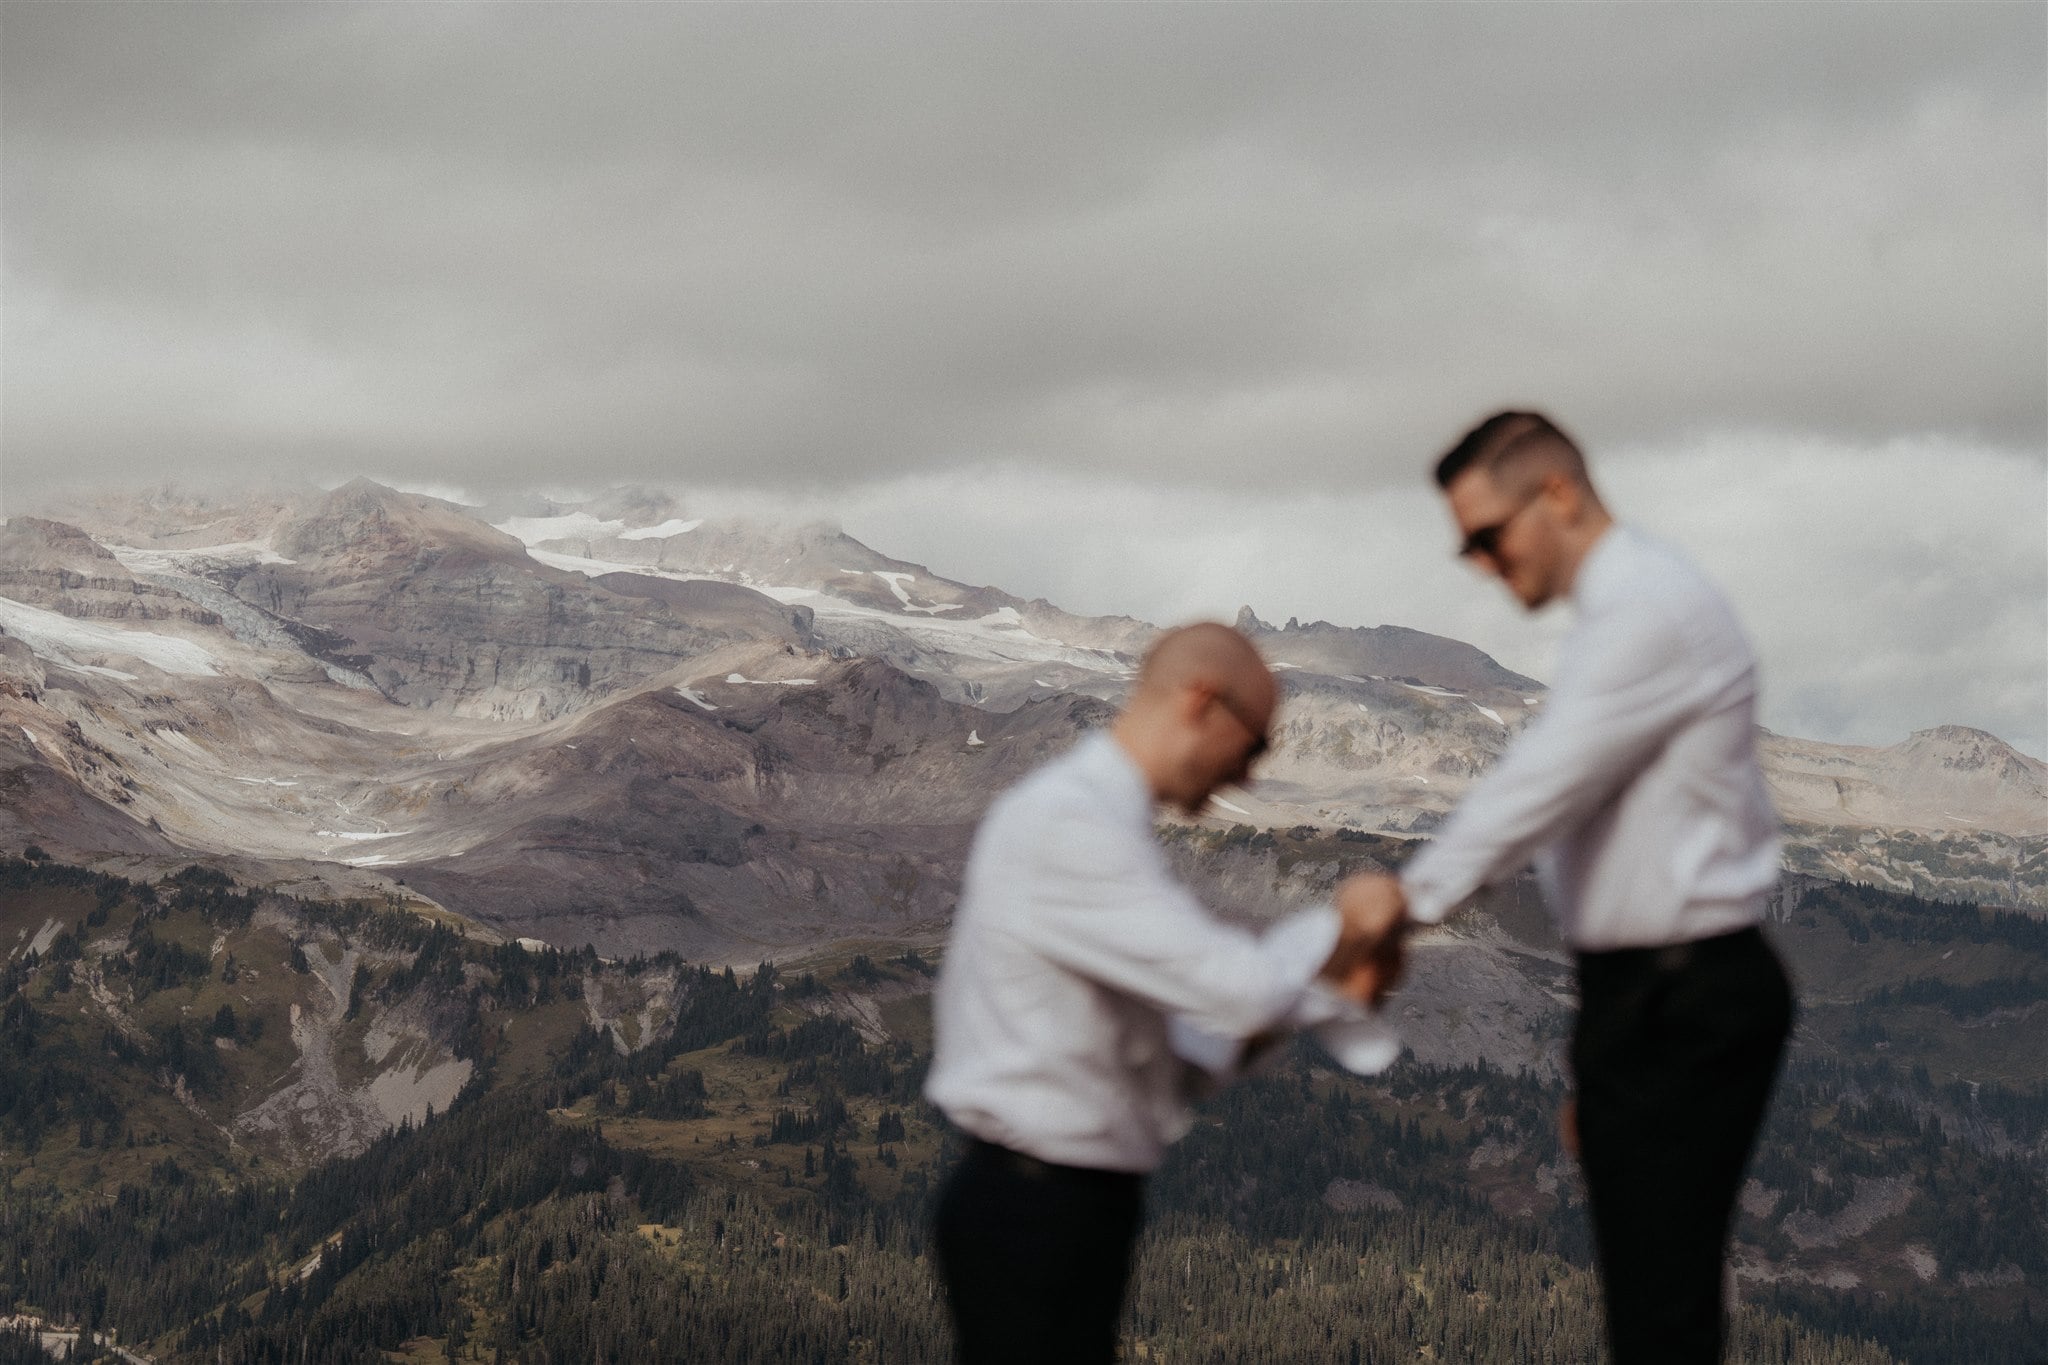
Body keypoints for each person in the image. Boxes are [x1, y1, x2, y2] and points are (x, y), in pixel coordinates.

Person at [1349, 411, 1795, 1363]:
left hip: (1685, 993)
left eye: (1486, 535)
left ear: (1556, 494)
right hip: (1656, 997)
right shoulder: (1629, 610)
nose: (1476, 561)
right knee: (1655, 1301)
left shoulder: (1648, 609)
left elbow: (1538, 786)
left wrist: (1407, 901)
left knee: (1660, 1314)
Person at [925, 621, 1405, 1365]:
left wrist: (1327, 987)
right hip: (1036, 1210)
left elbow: (1185, 1058)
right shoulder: (1070, 826)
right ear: (1201, 700)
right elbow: (1239, 992)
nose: (1247, 778)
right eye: (1253, 747)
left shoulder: (1098, 824)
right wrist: (1340, 926)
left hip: (1062, 1209)